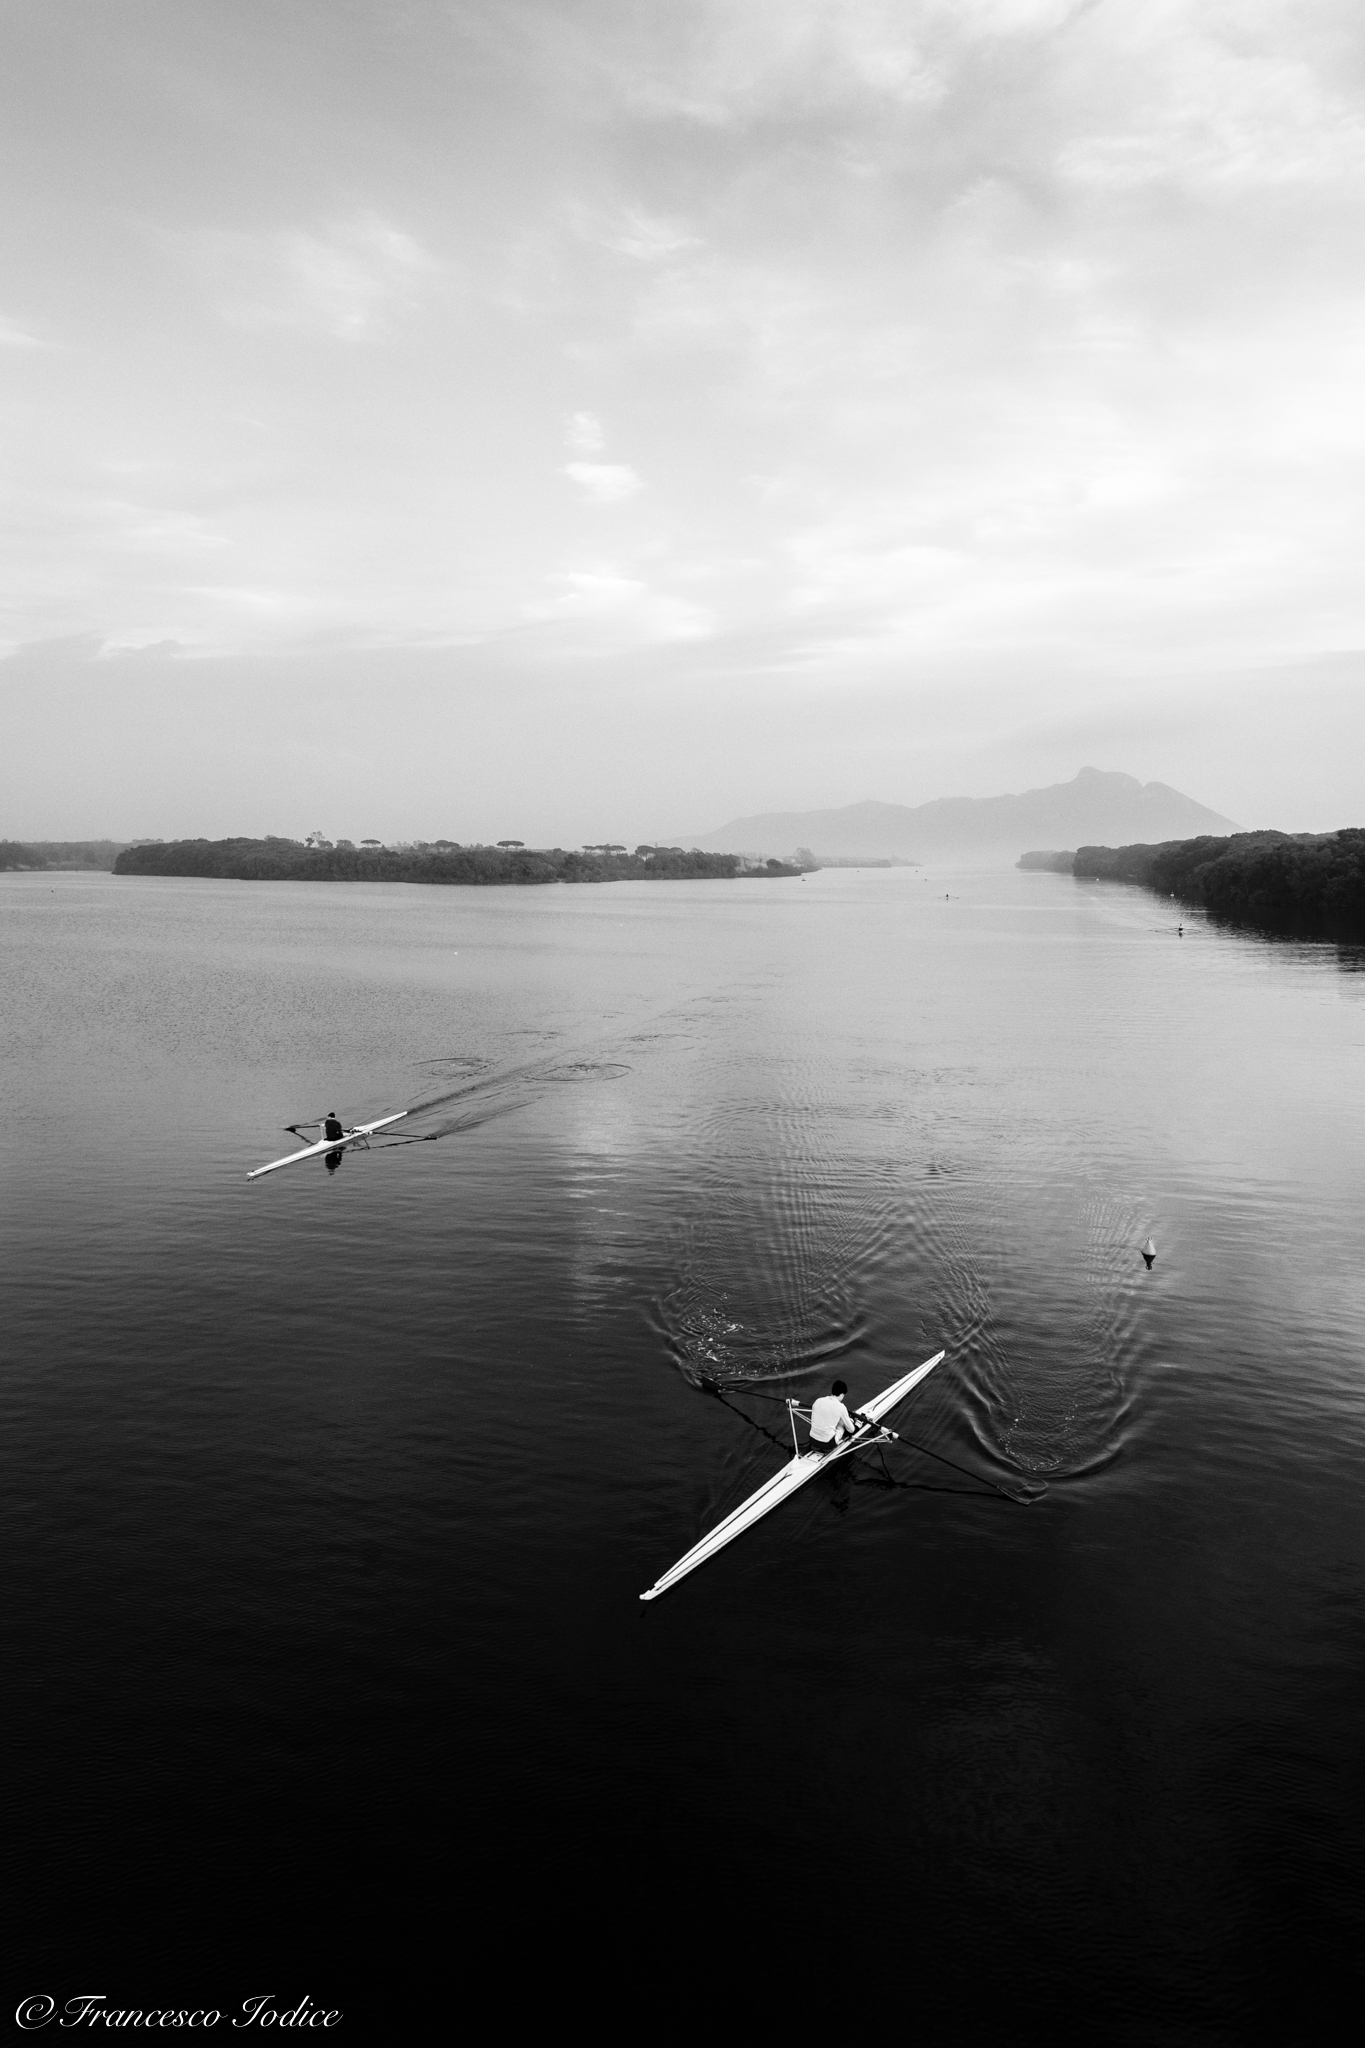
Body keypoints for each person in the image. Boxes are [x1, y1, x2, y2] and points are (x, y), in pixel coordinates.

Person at [808, 1378, 864, 1454]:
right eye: (843, 1395)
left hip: (812, 1440)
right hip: (828, 1444)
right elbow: (851, 1430)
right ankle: (857, 1424)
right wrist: (856, 1425)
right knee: (843, 1424)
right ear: (841, 1394)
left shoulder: (818, 1401)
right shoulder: (841, 1407)